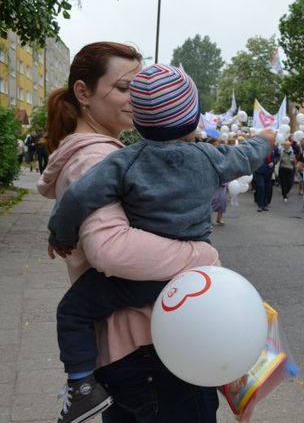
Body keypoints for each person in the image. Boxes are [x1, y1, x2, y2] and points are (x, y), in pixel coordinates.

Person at [37, 43, 243, 423]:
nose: (138, 97)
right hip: (148, 349)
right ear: (83, 93)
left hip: (140, 348)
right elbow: (110, 249)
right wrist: (203, 257)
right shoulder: (94, 159)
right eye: (124, 87)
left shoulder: (113, 154)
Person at [253, 143, 279, 211]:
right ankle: (260, 205)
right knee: (261, 186)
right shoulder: (259, 145)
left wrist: (273, 162)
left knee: (267, 187)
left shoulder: (274, 146)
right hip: (259, 170)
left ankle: (265, 204)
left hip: (269, 171)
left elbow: (277, 156)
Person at [209, 139, 228, 225]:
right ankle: (208, 218)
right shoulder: (208, 153)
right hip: (212, 180)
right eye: (215, 144)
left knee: (222, 201)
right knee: (212, 200)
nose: (217, 146)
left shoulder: (221, 153)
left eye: (217, 144)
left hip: (222, 179)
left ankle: (219, 218)